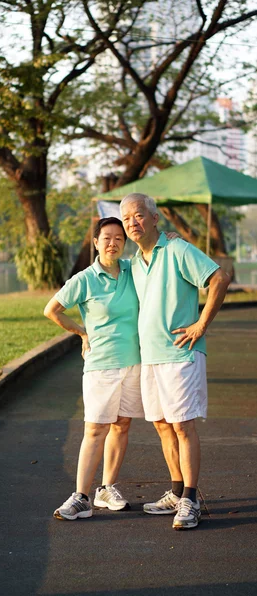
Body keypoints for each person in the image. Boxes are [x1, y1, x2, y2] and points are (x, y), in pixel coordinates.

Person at [120, 193, 230, 530]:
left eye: (138, 216)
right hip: (150, 357)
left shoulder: (178, 250)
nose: (132, 224)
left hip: (180, 354)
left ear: (155, 218)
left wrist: (200, 325)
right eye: (126, 220)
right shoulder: (134, 262)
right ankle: (177, 491)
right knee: (162, 425)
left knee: (182, 425)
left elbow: (219, 279)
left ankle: (191, 500)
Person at [44, 217, 144, 520]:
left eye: (118, 238)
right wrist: (82, 333)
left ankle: (106, 488)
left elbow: (157, 253)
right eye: (106, 238)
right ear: (96, 243)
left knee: (122, 425)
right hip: (101, 365)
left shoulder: (133, 269)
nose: (112, 243)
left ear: (124, 243)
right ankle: (81, 496)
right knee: (95, 429)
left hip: (134, 363)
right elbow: (52, 310)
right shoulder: (85, 279)